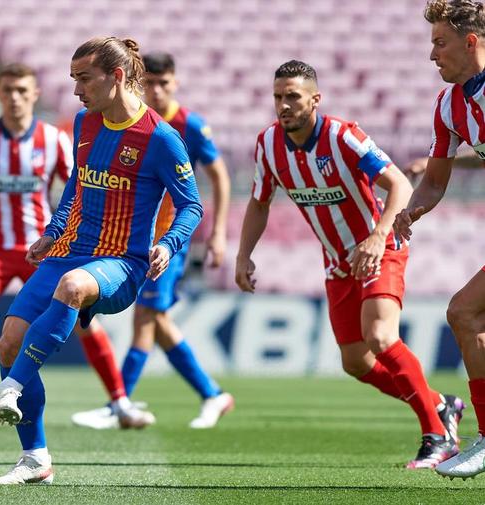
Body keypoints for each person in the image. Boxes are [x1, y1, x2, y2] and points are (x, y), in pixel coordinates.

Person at [0, 37, 204, 485]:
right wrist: (51, 234)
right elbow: (76, 188)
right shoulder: (84, 123)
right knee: (9, 341)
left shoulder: (161, 138)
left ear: (117, 76)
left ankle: (12, 386)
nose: (76, 90)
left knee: (72, 290)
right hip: (68, 251)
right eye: (73, 80)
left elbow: (191, 206)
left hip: (122, 263)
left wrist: (169, 243)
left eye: (84, 79)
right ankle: (35, 459)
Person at [235, 60, 464, 469]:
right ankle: (440, 405)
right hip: (338, 259)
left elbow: (400, 183)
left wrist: (378, 236)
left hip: (380, 246)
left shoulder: (343, 135)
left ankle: (437, 435)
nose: (283, 105)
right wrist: (243, 254)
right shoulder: (268, 145)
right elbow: (258, 202)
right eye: (277, 97)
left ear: (315, 100)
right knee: (355, 362)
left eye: (293, 97)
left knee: (379, 335)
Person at [0, 63, 133, 433]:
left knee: (83, 323)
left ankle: (120, 400)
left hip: (43, 249)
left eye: (22, 91)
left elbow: (80, 187)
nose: (15, 98)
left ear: (34, 94)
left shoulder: (53, 139)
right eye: (8, 90)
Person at [71, 52, 233, 430]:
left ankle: (119, 402)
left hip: (165, 244)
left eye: (165, 83)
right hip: (133, 240)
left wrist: (220, 233)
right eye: (151, 83)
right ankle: (212, 393)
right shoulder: (125, 120)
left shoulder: (187, 126)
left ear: (175, 83)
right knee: (157, 323)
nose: (157, 91)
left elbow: (219, 177)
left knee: (145, 318)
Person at [395, 0, 485, 479]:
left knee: (465, 312)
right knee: (465, 314)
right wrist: (410, 211)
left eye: (440, 43)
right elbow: (435, 180)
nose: (432, 55)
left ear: (470, 42)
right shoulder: (450, 105)